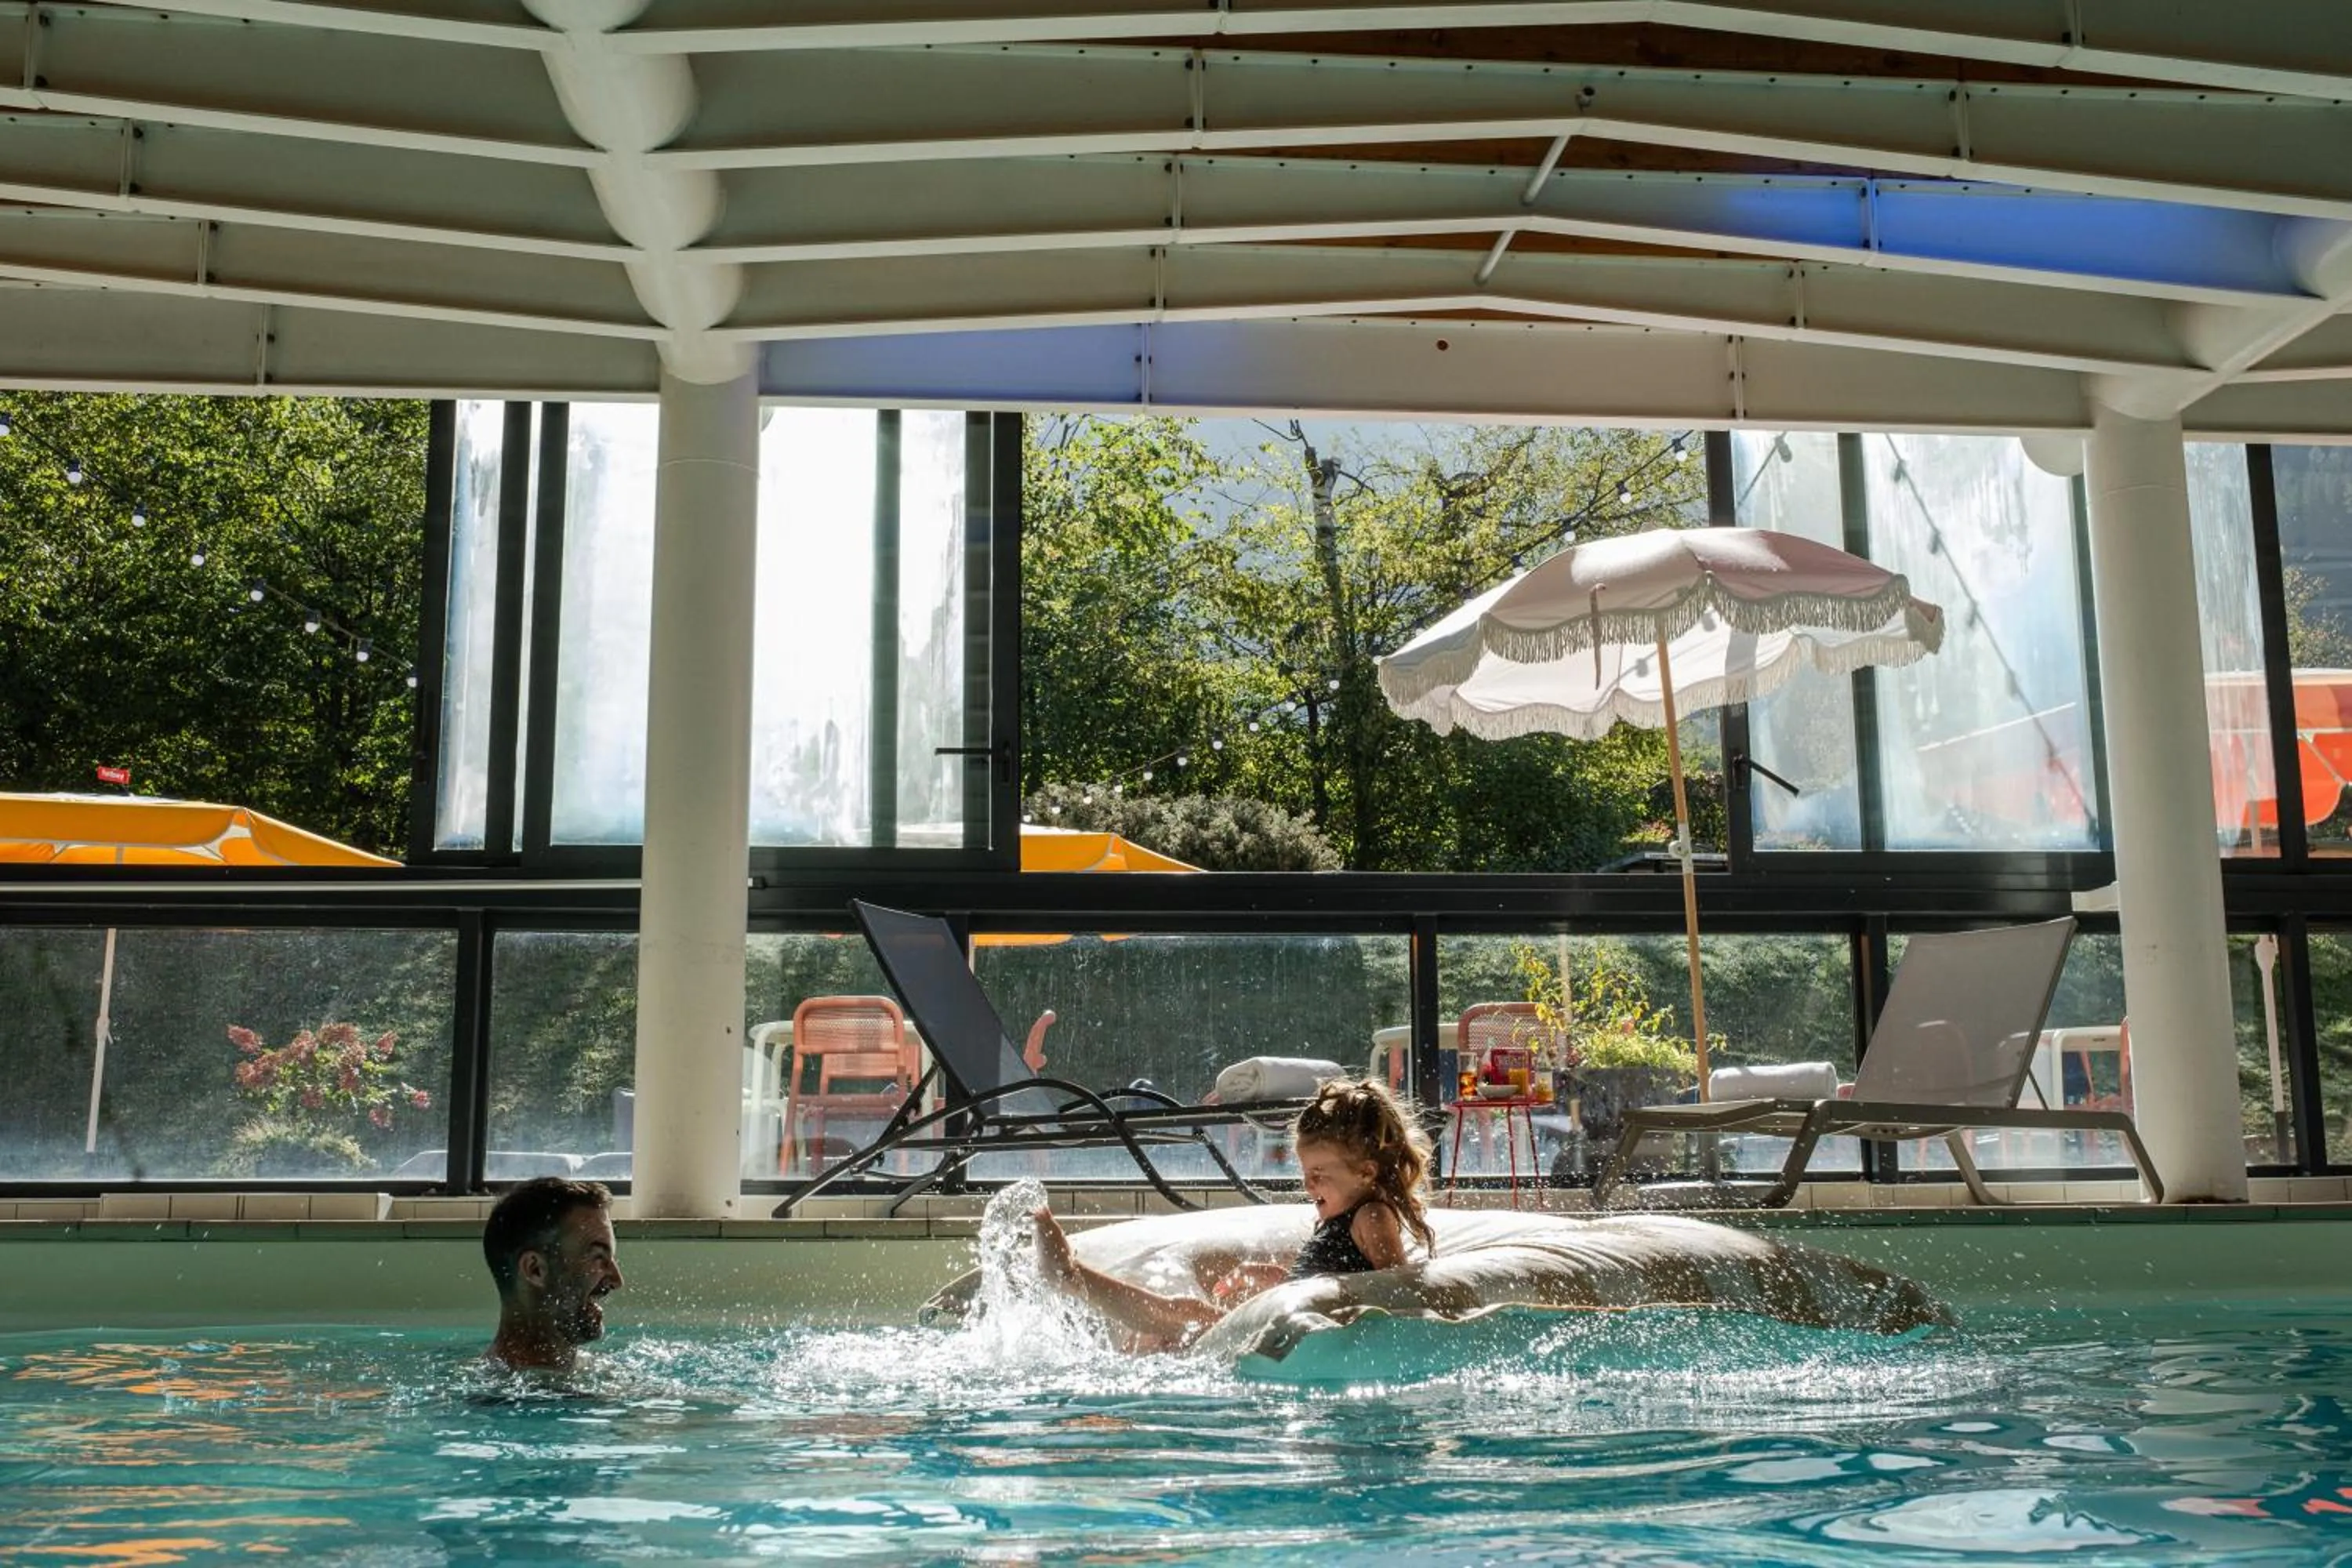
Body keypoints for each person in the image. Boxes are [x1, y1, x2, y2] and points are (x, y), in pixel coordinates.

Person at [1033, 1077, 1433, 1352]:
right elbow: (1334, 1273)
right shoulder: (1343, 1215)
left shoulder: (1373, 1216)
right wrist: (1277, 1278)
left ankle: (1073, 1277)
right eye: (1305, 1173)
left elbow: (1389, 1287)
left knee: (1188, 1315)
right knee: (1178, 1329)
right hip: (1295, 1321)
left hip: (1307, 1335)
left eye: (1319, 1175)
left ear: (1366, 1172)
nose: (1309, 1186)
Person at [482, 1176, 625, 1373]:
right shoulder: (503, 1398)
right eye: (597, 1257)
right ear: (536, 1270)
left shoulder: (592, 1370)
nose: (617, 1281)